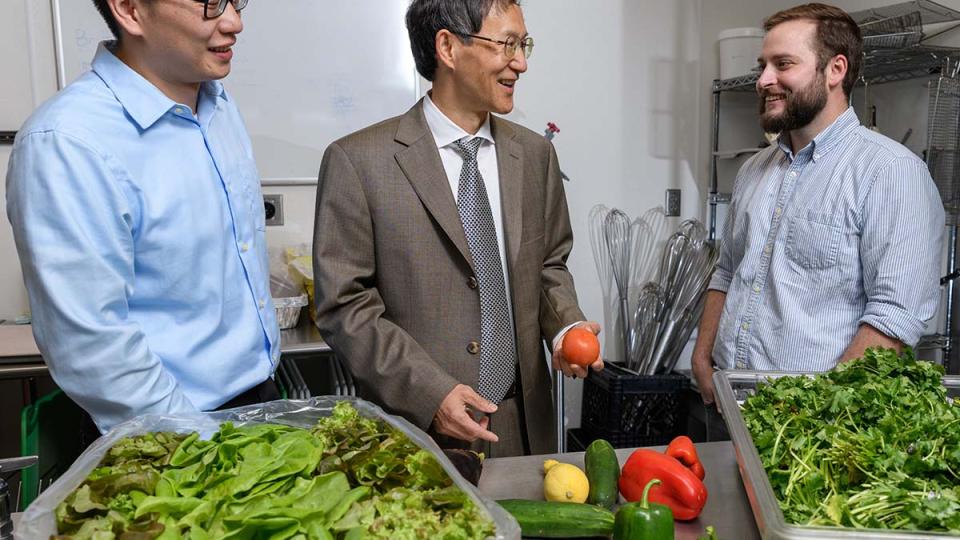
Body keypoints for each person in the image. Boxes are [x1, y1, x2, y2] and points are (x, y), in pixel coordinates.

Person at [313, 0, 601, 457]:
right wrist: (430, 394)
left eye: (523, 45)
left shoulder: (534, 156)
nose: (521, 63)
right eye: (506, 44)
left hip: (525, 426)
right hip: (418, 431)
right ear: (447, 46)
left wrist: (565, 326)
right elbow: (345, 307)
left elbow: (548, 266)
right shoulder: (358, 162)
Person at [5, 0, 280, 439]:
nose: (234, 22)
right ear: (130, 10)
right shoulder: (68, 141)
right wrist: (201, 448)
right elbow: (93, 344)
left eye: (235, 0)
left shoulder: (218, 106)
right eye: (209, 4)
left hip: (256, 403)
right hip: (165, 434)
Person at [693, 2, 944, 405]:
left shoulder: (891, 172)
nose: (763, 80)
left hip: (808, 424)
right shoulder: (753, 170)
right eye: (763, 65)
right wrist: (703, 357)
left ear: (835, 70)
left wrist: (820, 410)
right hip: (725, 397)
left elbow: (893, 317)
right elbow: (727, 271)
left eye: (783, 64)